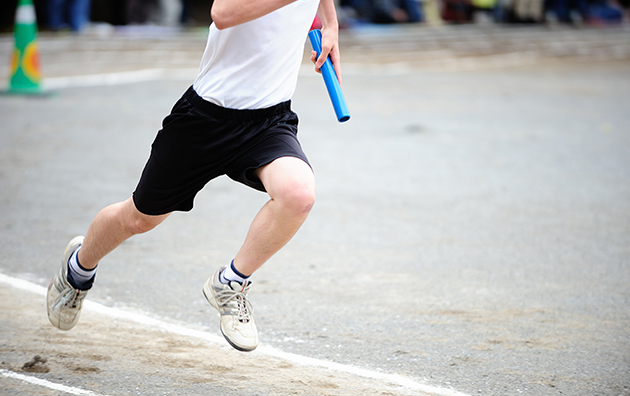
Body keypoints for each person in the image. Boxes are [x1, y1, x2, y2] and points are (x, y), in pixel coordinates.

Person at [46, 0, 342, 353]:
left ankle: (230, 283)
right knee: (140, 218)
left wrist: (330, 23)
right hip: (204, 118)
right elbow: (223, 13)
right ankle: (77, 270)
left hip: (268, 121)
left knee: (298, 194)